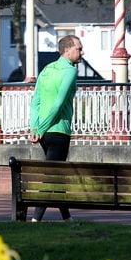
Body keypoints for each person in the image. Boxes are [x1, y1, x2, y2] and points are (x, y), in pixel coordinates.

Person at [28, 34, 83, 221]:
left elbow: (35, 101)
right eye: (78, 49)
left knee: (57, 175)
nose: (81, 52)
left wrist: (35, 127)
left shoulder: (46, 69)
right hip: (59, 130)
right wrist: (41, 128)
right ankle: (35, 219)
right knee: (51, 176)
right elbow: (59, 103)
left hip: (44, 134)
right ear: (67, 50)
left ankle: (67, 218)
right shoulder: (70, 71)